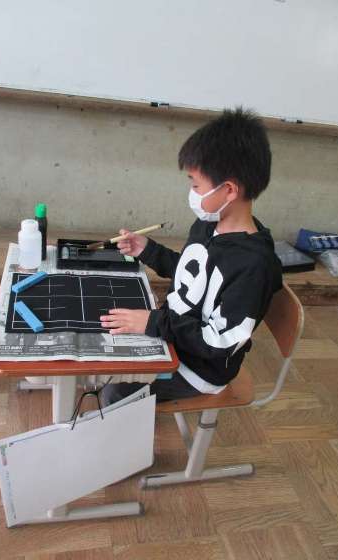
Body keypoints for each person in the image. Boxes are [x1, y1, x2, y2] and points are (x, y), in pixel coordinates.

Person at [100, 107, 282, 405]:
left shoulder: (253, 266)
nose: (192, 192)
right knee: (103, 351)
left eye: (196, 185)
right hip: (174, 336)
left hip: (198, 368)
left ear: (229, 190)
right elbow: (193, 276)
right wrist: (148, 251)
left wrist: (154, 324)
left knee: (114, 393)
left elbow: (220, 342)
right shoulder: (208, 225)